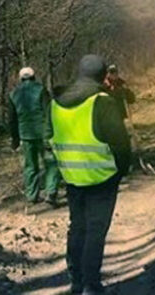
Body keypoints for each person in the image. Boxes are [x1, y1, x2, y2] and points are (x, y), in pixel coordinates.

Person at [47, 55, 132, 294]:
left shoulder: (55, 103)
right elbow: (120, 144)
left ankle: (76, 280)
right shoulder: (102, 102)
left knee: (77, 227)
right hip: (101, 177)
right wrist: (122, 171)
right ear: (102, 76)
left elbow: (50, 136)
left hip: (71, 177)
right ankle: (91, 284)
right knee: (95, 230)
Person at [8, 67, 60, 205]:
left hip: (25, 135)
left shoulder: (13, 94)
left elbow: (12, 119)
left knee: (30, 166)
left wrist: (15, 139)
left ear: (21, 78)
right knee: (51, 163)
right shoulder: (41, 90)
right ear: (34, 77)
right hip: (43, 134)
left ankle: (32, 195)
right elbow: (49, 112)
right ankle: (51, 192)